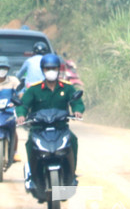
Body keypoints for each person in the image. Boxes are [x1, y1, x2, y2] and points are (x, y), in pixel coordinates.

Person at [17, 52, 84, 185]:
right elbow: (23, 104)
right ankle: (33, 176)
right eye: (48, 69)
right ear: (43, 70)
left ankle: (71, 174)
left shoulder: (67, 87)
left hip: (60, 128)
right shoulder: (34, 89)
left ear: (58, 70)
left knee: (73, 140)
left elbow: (76, 101)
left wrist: (77, 111)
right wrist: (21, 115)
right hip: (38, 129)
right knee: (30, 143)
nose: (51, 71)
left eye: (54, 68)